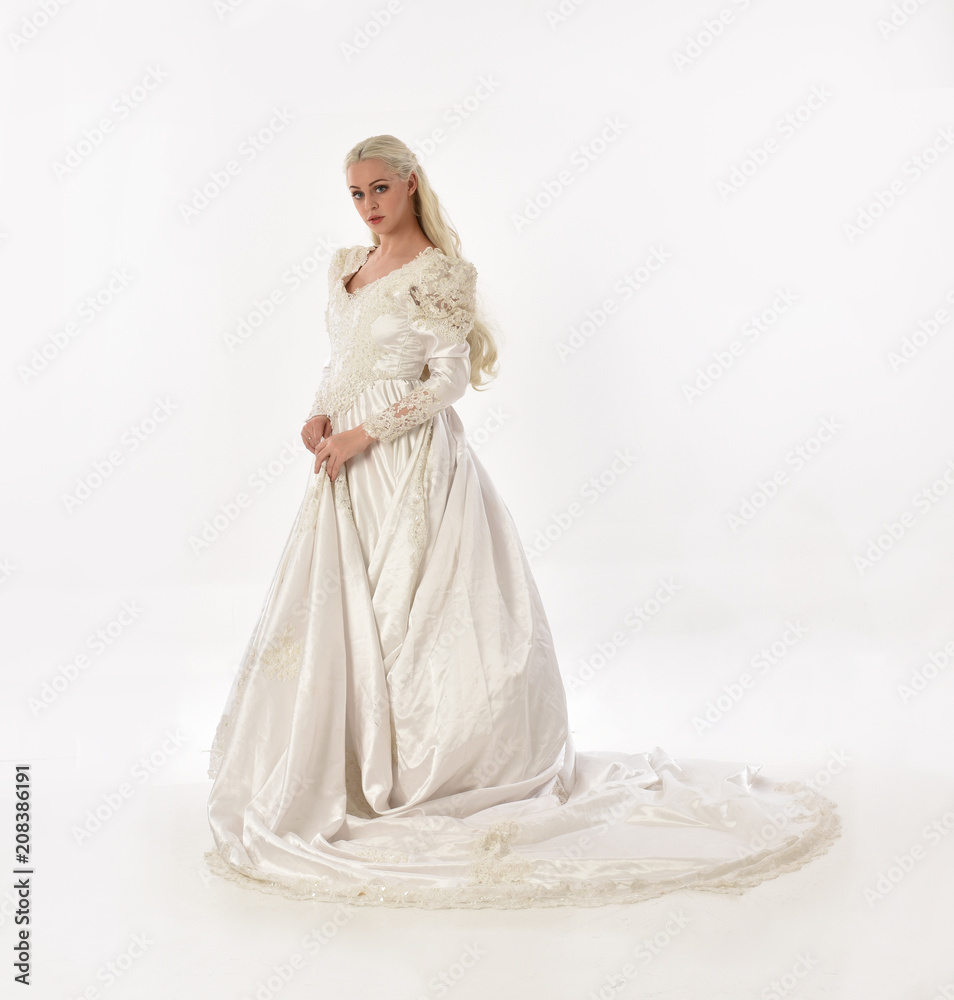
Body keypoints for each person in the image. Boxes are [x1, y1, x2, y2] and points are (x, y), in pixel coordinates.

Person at [205, 134, 841, 909]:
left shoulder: (442, 272)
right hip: (346, 471)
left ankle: (436, 771)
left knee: (416, 623)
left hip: (409, 469)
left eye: (379, 189)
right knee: (344, 619)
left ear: (411, 184)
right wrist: (318, 416)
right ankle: (346, 768)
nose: (368, 206)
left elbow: (446, 382)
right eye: (356, 194)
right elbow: (342, 362)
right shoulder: (345, 268)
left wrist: (363, 434)